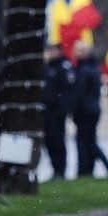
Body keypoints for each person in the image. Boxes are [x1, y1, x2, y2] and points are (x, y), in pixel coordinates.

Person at [67, 37, 108, 178]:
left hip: (85, 111)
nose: (74, 53)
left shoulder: (84, 70)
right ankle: (92, 169)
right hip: (91, 110)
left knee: (84, 142)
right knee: (89, 141)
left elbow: (79, 94)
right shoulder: (92, 67)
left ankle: (85, 170)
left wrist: (73, 109)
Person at [42, 44, 74, 178]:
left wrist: (61, 110)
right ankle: (56, 169)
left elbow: (66, 92)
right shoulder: (48, 67)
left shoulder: (63, 67)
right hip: (47, 112)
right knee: (49, 141)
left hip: (57, 112)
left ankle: (60, 170)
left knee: (58, 141)